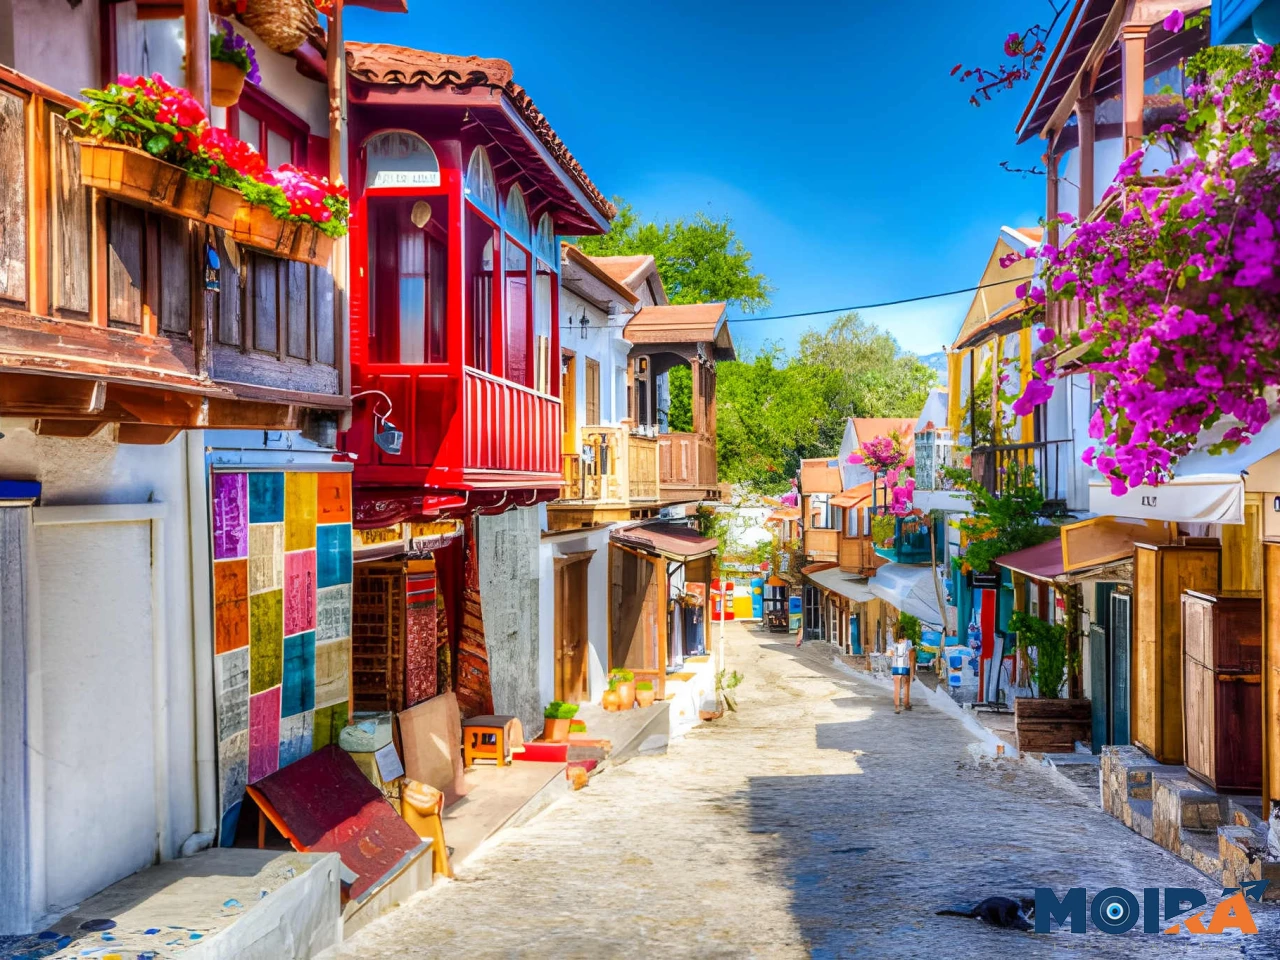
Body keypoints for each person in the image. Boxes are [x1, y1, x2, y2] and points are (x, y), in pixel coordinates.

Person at [891, 632, 915, 714]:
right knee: (906, 686)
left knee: (897, 687)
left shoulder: (893, 645)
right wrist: (912, 673)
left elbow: (889, 654)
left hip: (896, 667)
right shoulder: (909, 645)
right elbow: (912, 659)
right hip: (905, 667)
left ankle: (897, 707)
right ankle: (906, 704)